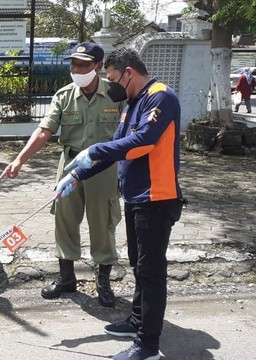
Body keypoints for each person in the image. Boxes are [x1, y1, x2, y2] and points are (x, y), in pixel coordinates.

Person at [57, 47, 184, 360]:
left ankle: (148, 346)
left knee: (151, 272)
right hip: (136, 195)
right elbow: (115, 148)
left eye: (113, 79)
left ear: (129, 73)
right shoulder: (133, 102)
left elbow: (143, 141)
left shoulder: (160, 97)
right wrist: (78, 175)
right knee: (138, 263)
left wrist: (96, 149)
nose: (110, 85)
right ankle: (137, 321)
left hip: (157, 196)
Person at [0, 42, 122, 307]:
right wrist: (20, 160)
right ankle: (67, 278)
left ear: (98, 67)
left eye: (83, 65)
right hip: (69, 165)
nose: (76, 69)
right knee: (64, 220)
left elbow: (129, 135)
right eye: (73, 64)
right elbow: (44, 131)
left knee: (102, 223)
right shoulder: (64, 95)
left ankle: (104, 283)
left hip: (104, 167)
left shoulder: (116, 94)